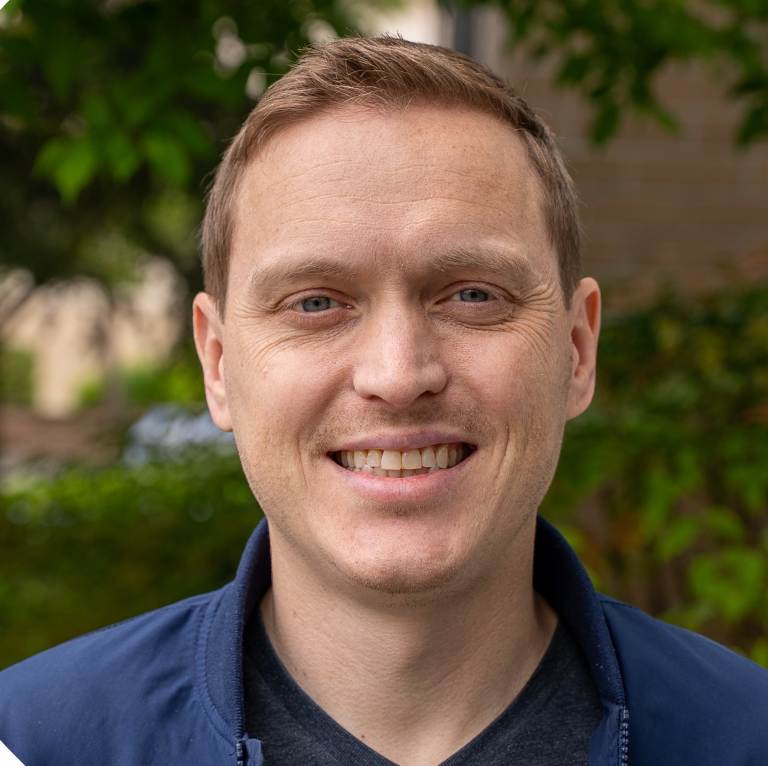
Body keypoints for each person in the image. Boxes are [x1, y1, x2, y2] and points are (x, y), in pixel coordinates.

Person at [1, 36, 767, 766]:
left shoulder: (745, 738)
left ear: (576, 351)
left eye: (473, 294)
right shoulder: (35, 739)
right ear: (218, 363)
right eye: (314, 303)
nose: (399, 376)